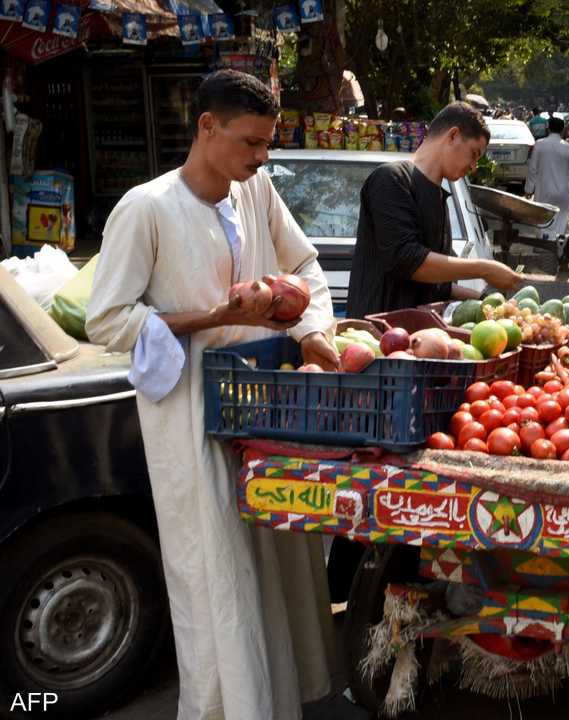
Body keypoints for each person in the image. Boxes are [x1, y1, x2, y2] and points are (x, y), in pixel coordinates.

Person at [85, 69, 358, 720]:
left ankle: (282, 697)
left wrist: (313, 329)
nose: (261, 157)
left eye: (267, 144)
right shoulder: (146, 208)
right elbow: (109, 320)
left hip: (263, 398)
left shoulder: (255, 188)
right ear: (207, 128)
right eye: (250, 143)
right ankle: (228, 708)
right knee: (216, 567)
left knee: (277, 550)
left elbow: (304, 265)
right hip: (189, 411)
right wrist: (210, 317)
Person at [344, 101, 525, 320]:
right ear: (453, 136)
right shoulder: (391, 179)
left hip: (419, 340)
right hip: (378, 339)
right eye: (474, 154)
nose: (473, 166)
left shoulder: (440, 199)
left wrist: (486, 303)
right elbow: (408, 260)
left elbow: (438, 286)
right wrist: (485, 269)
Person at [526, 115, 569, 236]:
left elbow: (532, 169)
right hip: (564, 193)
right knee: (561, 220)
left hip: (543, 191)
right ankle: (557, 245)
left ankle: (544, 244)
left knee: (543, 220)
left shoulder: (539, 145)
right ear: (562, 130)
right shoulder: (568, 147)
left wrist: (529, 189)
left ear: (548, 129)